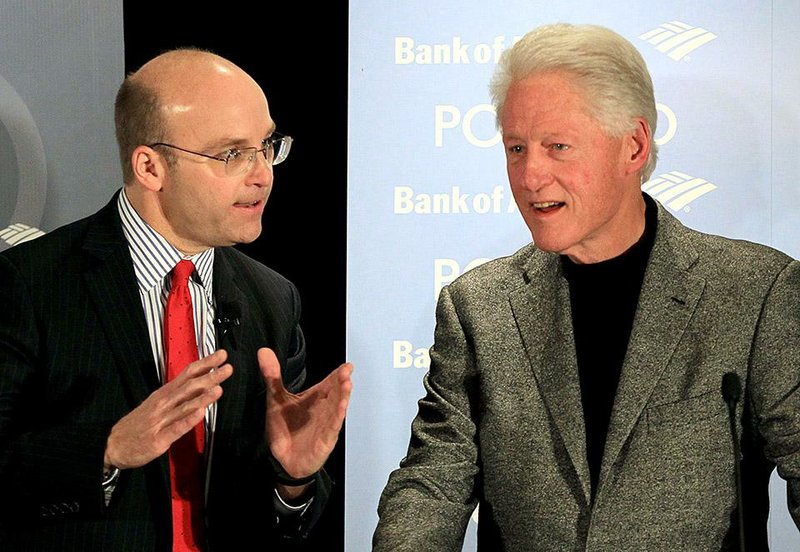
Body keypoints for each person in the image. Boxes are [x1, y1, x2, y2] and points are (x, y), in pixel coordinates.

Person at [373, 22, 800, 550]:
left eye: (558, 146)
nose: (530, 176)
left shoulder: (756, 292)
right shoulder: (477, 307)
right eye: (515, 148)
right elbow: (433, 483)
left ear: (634, 147)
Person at [0, 48, 353, 551]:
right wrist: (107, 451)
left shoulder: (272, 299)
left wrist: (292, 479)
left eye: (267, 145)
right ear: (150, 166)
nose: (263, 174)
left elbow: (286, 520)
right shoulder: (30, 285)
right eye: (232, 154)